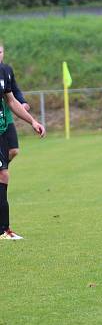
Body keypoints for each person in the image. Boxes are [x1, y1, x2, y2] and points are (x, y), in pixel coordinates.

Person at [0, 57, 46, 241]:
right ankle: (4, 229)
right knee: (2, 174)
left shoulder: (3, 71)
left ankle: (4, 229)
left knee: (4, 172)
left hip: (1, 130)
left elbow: (11, 101)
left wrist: (32, 121)